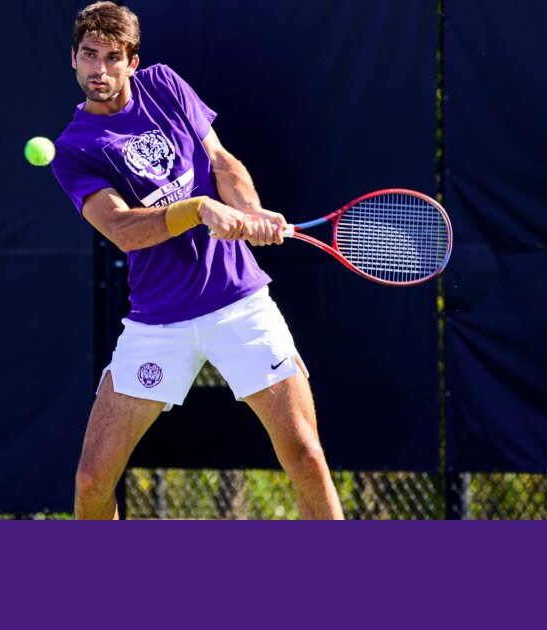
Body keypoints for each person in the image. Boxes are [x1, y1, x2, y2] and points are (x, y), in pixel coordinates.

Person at [51, 1, 344, 520]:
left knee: (305, 456)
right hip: (158, 323)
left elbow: (221, 161)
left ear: (132, 62)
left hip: (241, 306)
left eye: (113, 58)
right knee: (93, 478)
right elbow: (121, 229)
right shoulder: (75, 148)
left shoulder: (164, 85)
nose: (100, 70)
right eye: (89, 56)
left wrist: (249, 211)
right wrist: (199, 209)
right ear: (73, 58)